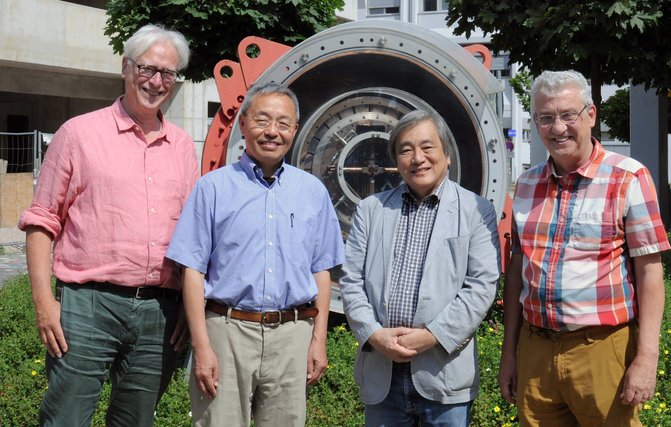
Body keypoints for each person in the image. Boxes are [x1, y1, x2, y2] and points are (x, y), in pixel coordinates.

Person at [17, 24, 199, 426]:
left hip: (160, 313)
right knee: (66, 416)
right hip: (87, 305)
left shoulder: (184, 147)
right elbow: (41, 221)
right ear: (125, 66)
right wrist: (45, 303)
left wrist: (190, 306)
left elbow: (192, 236)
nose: (156, 81)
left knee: (135, 421)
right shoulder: (79, 133)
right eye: (147, 69)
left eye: (167, 73)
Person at [165, 82, 344, 427]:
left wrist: (317, 341)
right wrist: (202, 347)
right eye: (262, 120)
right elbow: (192, 271)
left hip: (293, 334)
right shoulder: (212, 188)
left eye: (282, 122)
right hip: (226, 332)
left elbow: (321, 271)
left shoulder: (312, 192)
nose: (272, 132)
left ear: (294, 129)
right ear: (243, 124)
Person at [498, 70, 670, 426]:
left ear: (591, 115)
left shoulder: (628, 178)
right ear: (535, 123)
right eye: (546, 118)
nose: (557, 128)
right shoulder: (526, 184)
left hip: (602, 349)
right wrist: (509, 355)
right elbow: (517, 271)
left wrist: (647, 356)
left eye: (567, 115)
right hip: (536, 350)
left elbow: (650, 271)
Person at [340, 109, 501, 426]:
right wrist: (374, 334)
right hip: (382, 376)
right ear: (396, 159)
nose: (417, 158)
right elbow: (351, 282)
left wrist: (432, 336)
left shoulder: (475, 210)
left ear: (446, 154)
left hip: (443, 374)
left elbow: (481, 287)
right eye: (406, 149)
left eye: (427, 147)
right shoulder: (372, 210)